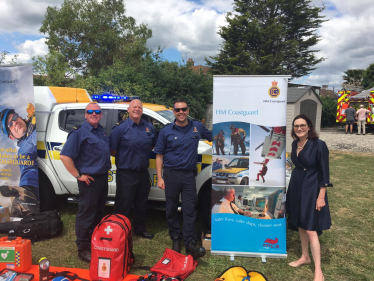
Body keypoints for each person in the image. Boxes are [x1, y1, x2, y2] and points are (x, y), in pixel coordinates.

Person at [154, 99, 212, 259]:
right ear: (174, 112)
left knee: (189, 209)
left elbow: (214, 137)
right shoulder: (166, 131)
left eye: (184, 109)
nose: (181, 112)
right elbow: (159, 155)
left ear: (187, 110)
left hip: (188, 175)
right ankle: (175, 237)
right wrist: (160, 177)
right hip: (171, 174)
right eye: (177, 110)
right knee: (171, 208)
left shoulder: (197, 126)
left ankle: (190, 243)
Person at [60, 103, 111, 263]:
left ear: (101, 114)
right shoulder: (79, 133)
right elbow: (65, 156)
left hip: (102, 179)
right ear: (86, 114)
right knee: (86, 214)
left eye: (97, 112)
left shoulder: (100, 131)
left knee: (98, 213)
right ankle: (82, 248)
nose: (94, 114)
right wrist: (78, 175)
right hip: (89, 181)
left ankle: (94, 242)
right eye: (91, 112)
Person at [286, 114, 332, 281]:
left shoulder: (319, 145)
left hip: (312, 189)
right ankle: (305, 257)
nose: (299, 128)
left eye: (302, 125)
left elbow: (324, 174)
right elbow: (296, 164)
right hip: (296, 187)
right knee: (299, 222)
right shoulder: (294, 143)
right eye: (296, 126)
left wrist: (321, 196)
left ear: (309, 127)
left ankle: (318, 270)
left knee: (311, 229)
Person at [109, 99, 157, 239]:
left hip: (142, 172)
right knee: (123, 204)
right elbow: (112, 150)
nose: (137, 109)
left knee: (141, 203)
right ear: (128, 110)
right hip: (126, 173)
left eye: (139, 107)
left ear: (142, 110)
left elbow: (152, 145)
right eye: (134, 107)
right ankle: (118, 232)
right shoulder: (119, 128)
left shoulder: (149, 127)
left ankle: (139, 229)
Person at [0, 105, 39, 217]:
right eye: (10, 125)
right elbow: (29, 168)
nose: (15, 122)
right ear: (12, 137)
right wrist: (27, 190)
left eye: (14, 118)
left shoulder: (36, 117)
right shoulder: (25, 149)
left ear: (21, 117)